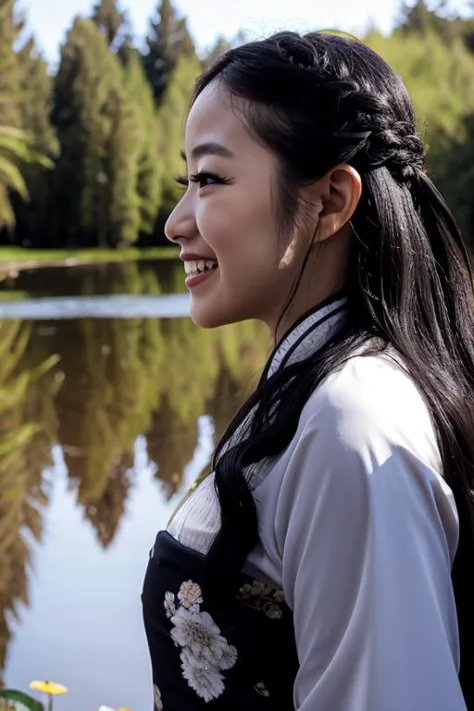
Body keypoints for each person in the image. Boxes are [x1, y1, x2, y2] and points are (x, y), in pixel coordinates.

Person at [142, 30, 474, 711]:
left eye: (208, 178)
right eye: (186, 181)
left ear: (330, 201)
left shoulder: (353, 419)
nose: (177, 221)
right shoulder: (319, 394)